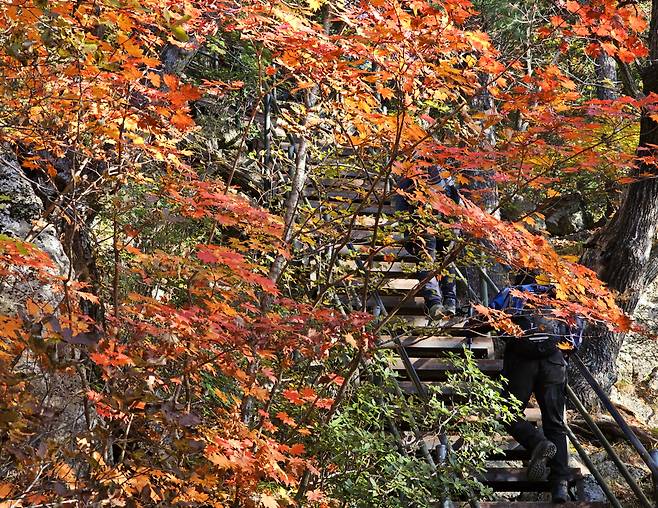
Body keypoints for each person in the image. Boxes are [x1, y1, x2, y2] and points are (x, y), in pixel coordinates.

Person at [467, 271, 576, 504]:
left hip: (521, 363)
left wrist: (469, 328)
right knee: (555, 423)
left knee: (507, 412)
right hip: (553, 363)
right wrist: (564, 352)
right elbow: (575, 331)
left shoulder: (511, 294)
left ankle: (538, 443)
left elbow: (484, 320)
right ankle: (560, 485)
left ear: (519, 280)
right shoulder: (557, 296)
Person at [391, 164, 460, 319]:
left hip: (422, 226)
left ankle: (435, 303)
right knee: (446, 261)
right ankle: (450, 301)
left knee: (426, 262)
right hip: (447, 224)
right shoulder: (445, 175)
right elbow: (457, 201)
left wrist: (407, 229)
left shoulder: (409, 176)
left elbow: (399, 207)